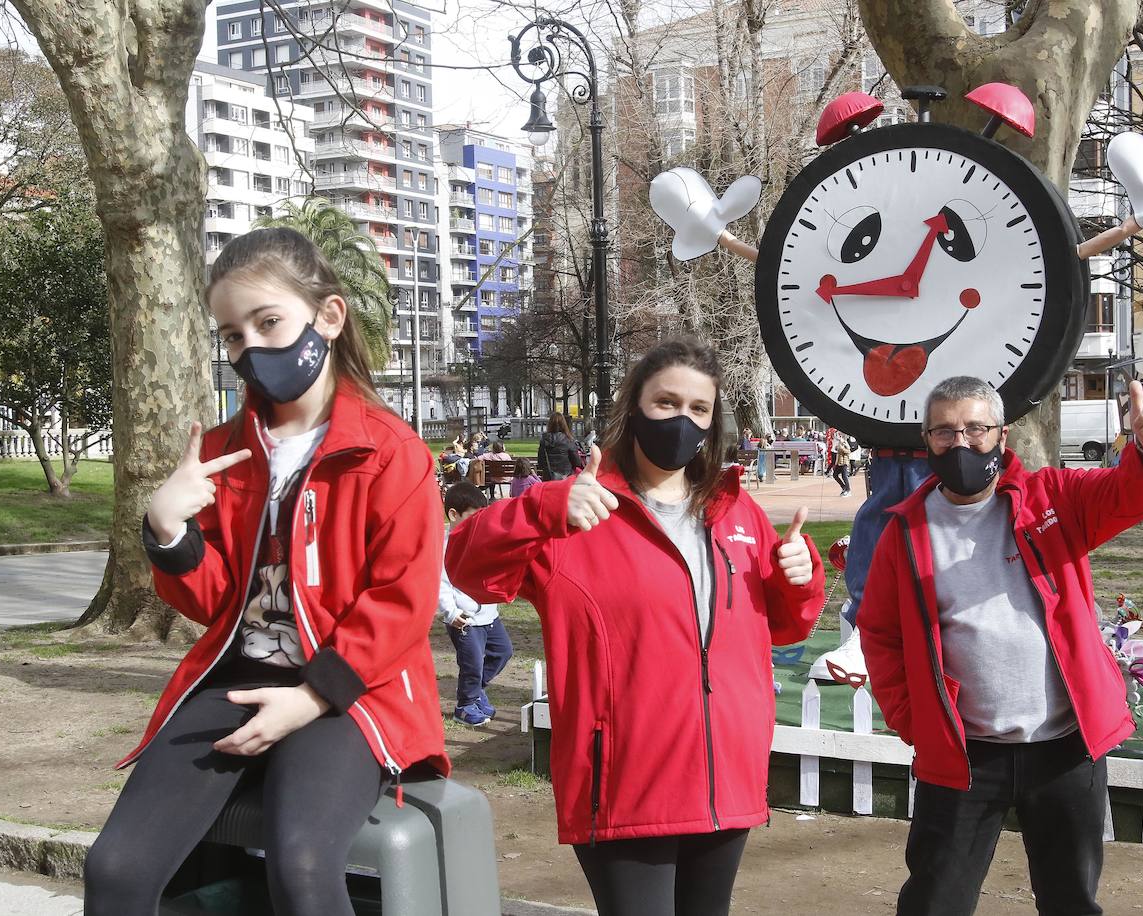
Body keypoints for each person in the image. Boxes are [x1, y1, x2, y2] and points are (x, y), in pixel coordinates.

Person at [84, 228, 449, 916]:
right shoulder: (223, 451)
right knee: (117, 869)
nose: (249, 348)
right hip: (238, 679)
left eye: (268, 322)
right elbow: (217, 600)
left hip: (349, 692)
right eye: (231, 336)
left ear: (329, 317)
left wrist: (311, 699)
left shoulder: (390, 452)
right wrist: (169, 531)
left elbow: (402, 602)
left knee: (302, 866)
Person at [445, 338, 825, 916]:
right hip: (625, 782)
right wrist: (543, 507)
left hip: (726, 777)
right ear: (634, 407)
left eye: (698, 409)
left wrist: (801, 577)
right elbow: (469, 569)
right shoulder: (581, 508)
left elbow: (784, 625)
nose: (682, 420)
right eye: (665, 403)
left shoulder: (735, 511)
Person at [857, 375, 1143, 916]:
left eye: (975, 429)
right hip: (966, 752)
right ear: (925, 439)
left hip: (1064, 746)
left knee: (1071, 899)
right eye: (944, 432)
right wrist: (915, 719)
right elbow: (880, 632)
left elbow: (1124, 495)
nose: (961, 444)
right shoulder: (903, 531)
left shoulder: (1052, 498)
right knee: (935, 900)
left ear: (1002, 435)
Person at [439, 482, 514, 727]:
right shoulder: (443, 546)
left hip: (489, 615)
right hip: (464, 619)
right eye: (474, 516)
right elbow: (440, 583)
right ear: (454, 515)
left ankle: (477, 689)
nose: (479, 522)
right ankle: (465, 705)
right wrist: (451, 612)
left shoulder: (482, 540)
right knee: (472, 662)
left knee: (503, 652)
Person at [537, 411, 584, 481]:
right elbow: (577, 462)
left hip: (549, 478)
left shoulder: (544, 440)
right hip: (566, 478)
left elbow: (540, 462)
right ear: (564, 424)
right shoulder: (568, 440)